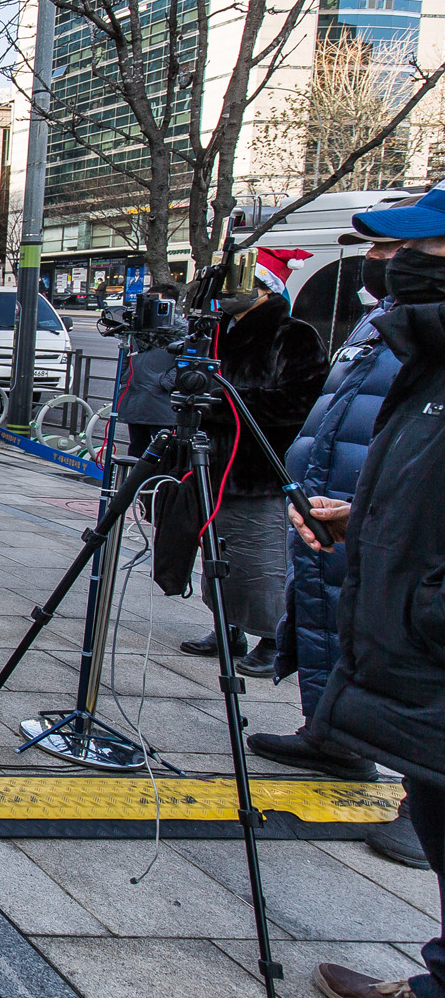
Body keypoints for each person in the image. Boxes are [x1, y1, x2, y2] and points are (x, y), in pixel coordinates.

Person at [290, 192, 445, 998]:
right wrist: (367, 513)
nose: (388, 267)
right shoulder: (425, 355)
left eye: (413, 250)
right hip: (408, 629)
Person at [253, 211, 424, 862]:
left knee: (405, 651)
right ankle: (332, 734)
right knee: (327, 619)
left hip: (389, 517)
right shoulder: (379, 318)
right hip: (335, 502)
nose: (376, 260)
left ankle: (421, 792)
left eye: (391, 248)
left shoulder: (423, 328)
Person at [175, 248, 328, 677]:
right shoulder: (216, 332)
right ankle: (226, 626)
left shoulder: (292, 335)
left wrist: (222, 402)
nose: (224, 297)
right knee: (217, 552)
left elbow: (302, 402)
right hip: (211, 463)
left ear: (264, 291)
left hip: (260, 467)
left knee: (261, 557)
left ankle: (272, 637)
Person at [114, 281, 188, 461]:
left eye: (154, 301)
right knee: (136, 452)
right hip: (137, 399)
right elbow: (127, 358)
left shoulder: (183, 330)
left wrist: (165, 382)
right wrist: (124, 383)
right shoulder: (139, 327)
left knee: (162, 455)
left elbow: (187, 362)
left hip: (162, 404)